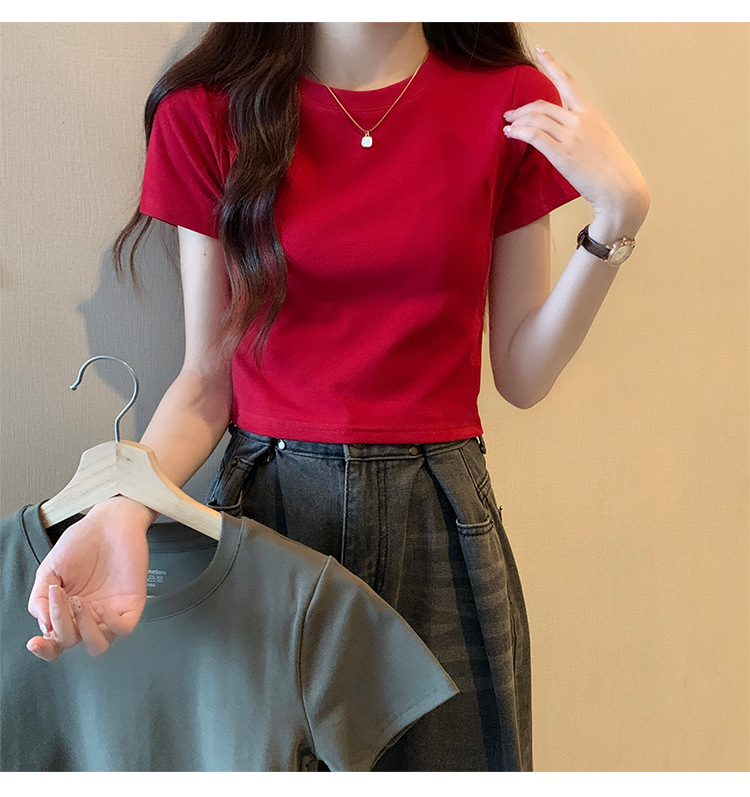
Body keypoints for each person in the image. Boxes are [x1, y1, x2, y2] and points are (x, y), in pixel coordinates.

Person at [24, 22, 650, 771]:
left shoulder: (511, 103)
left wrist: (616, 221)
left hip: (441, 520)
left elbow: (521, 375)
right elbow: (204, 382)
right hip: (269, 515)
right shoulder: (207, 110)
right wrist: (124, 508)